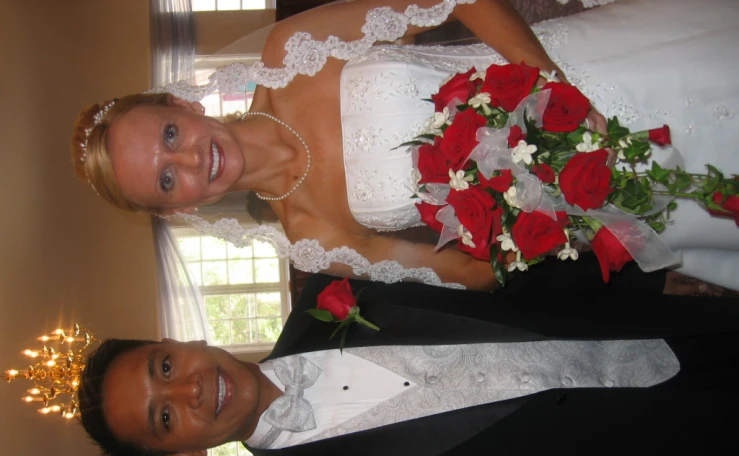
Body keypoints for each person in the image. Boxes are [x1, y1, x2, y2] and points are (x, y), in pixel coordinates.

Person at [79, 255, 739, 456]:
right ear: (185, 452)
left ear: (182, 340)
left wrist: (644, 277)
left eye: (164, 367)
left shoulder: (336, 282)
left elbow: (507, 273)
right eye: (165, 416)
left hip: (682, 323)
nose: (188, 390)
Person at [70, 0, 739, 291]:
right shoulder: (312, 238)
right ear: (178, 208)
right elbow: (477, 275)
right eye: (165, 180)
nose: (189, 160)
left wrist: (558, 91)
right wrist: (520, 217)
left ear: (183, 105)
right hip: (594, 196)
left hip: (592, 75)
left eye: (168, 136)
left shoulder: (293, 53)